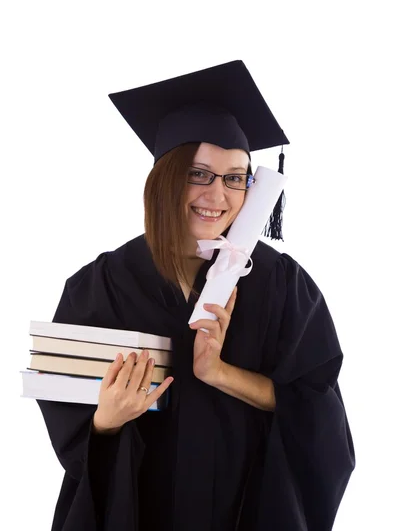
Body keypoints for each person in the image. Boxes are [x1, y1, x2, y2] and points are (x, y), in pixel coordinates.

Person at [37, 60, 355, 531]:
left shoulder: (282, 285)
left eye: (235, 177)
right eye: (199, 173)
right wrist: (106, 422)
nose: (218, 194)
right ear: (164, 177)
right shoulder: (101, 286)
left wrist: (220, 373)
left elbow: (320, 418)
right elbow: (75, 433)